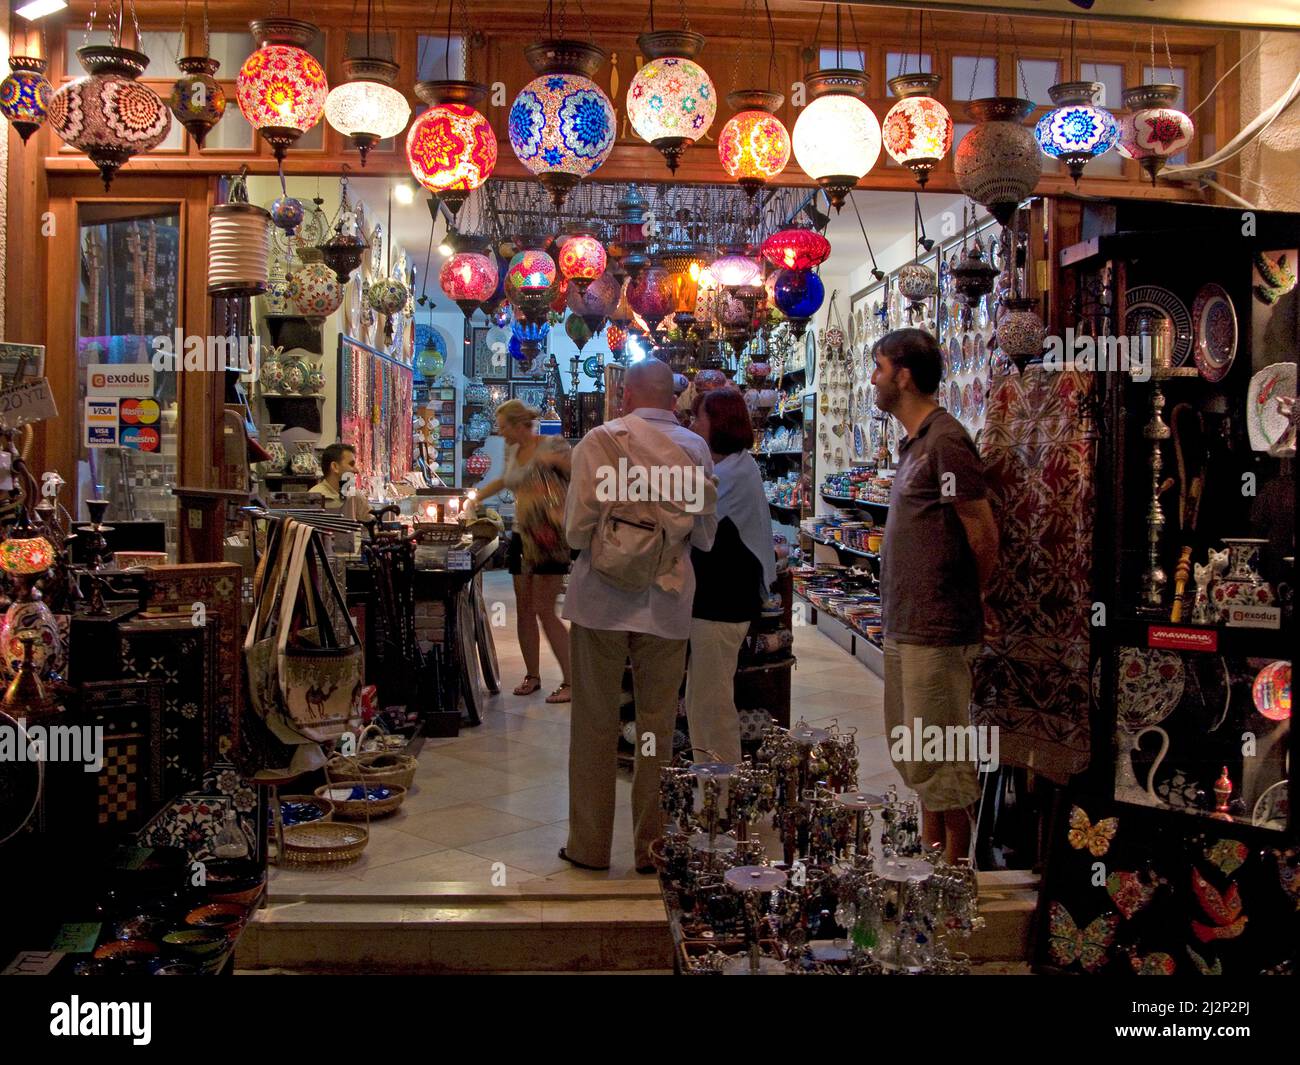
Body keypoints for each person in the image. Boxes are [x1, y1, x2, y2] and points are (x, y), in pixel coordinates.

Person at [561, 358, 717, 873]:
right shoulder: (694, 449)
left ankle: (588, 846)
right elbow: (706, 535)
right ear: (673, 399)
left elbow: (577, 527)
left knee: (594, 723)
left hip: (601, 601)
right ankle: (651, 846)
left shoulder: (599, 442)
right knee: (655, 726)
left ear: (625, 396)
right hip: (667, 601)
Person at [870, 328, 1000, 864]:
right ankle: (929, 854)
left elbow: (981, 529)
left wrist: (973, 593)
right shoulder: (916, 442)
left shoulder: (946, 440)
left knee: (942, 751)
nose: (873, 379)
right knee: (916, 749)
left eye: (879, 368)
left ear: (903, 375)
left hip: (938, 625)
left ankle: (954, 869)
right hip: (907, 621)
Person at [685, 388, 775, 767]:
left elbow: (688, 518)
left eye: (698, 418)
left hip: (721, 603)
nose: (692, 425)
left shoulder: (730, 474)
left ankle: (720, 791)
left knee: (710, 701)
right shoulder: (733, 466)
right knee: (705, 696)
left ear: (717, 424)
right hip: (720, 602)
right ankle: (714, 782)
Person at [473, 399, 573, 703]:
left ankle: (572, 680)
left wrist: (555, 472)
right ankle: (533, 675)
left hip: (549, 537)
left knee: (545, 609)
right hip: (521, 533)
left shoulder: (553, 446)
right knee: (525, 609)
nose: (500, 433)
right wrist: (477, 496)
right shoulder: (512, 449)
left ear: (518, 424)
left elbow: (580, 477)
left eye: (504, 427)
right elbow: (508, 479)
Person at [309, 442, 372, 521]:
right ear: (335, 467)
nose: (356, 470)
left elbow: (371, 528)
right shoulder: (314, 497)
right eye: (351, 464)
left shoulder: (355, 496)